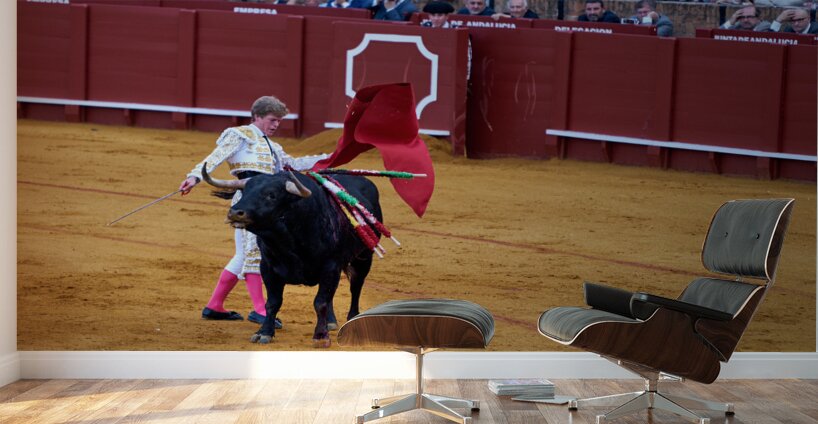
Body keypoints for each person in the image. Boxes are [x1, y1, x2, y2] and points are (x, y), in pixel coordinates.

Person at [179, 96, 328, 325]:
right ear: (257, 116)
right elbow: (215, 157)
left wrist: (328, 158)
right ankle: (260, 309)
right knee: (255, 253)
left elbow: (293, 165)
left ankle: (214, 305)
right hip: (249, 200)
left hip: (267, 203)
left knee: (243, 255)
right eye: (272, 119)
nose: (276, 124)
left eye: (279, 121)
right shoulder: (239, 135)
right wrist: (194, 176)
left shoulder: (273, 146)